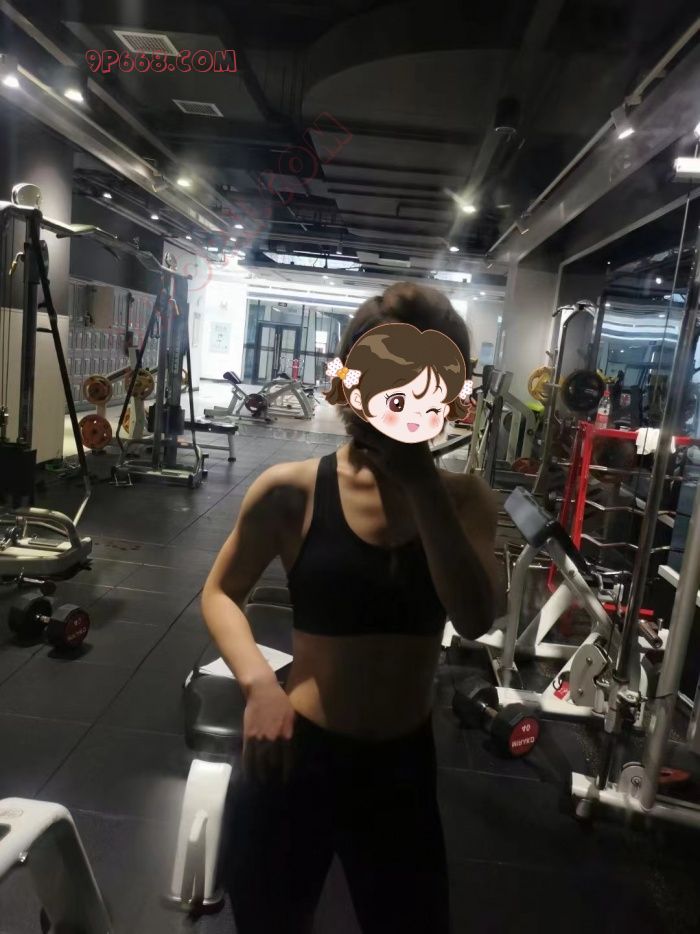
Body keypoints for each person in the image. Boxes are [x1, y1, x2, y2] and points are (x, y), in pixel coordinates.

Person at [201, 282, 502, 934]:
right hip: (297, 756)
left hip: (400, 770)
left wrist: (420, 482)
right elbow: (220, 591)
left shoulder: (466, 501)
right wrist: (259, 686)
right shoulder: (291, 490)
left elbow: (476, 616)